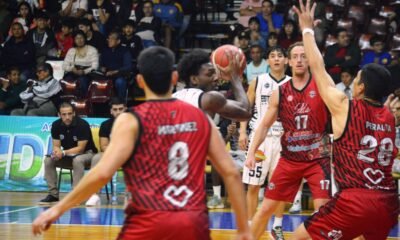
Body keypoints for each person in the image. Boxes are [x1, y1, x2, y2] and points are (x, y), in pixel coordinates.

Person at [32, 46, 253, 240]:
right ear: (175, 78)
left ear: (139, 81)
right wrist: (243, 229)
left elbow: (101, 174)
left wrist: (58, 208)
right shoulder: (199, 117)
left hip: (146, 223)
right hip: (191, 222)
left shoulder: (130, 121)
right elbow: (231, 173)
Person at [292, 1, 399, 239]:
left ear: (359, 88)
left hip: (355, 199)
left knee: (299, 237)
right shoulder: (390, 117)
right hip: (389, 202)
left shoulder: (344, 106)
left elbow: (318, 69)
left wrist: (307, 30)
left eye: (357, 78)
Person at [246, 42, 331, 239]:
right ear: (289, 61)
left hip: (318, 159)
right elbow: (264, 125)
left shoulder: (322, 85)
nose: (300, 60)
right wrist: (251, 152)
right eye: (296, 56)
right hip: (290, 159)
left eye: (304, 56)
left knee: (323, 211)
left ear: (310, 60)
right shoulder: (281, 91)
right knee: (266, 208)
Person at [173, 49, 252, 208]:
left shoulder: (173, 98)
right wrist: (235, 77)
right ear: (194, 79)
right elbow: (245, 112)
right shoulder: (208, 98)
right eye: (210, 74)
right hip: (186, 178)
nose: (216, 77)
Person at [239, 46, 290, 240]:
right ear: (268, 61)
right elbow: (245, 108)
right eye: (272, 56)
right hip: (260, 141)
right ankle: (251, 226)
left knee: (279, 187)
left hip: (283, 140)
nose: (276, 59)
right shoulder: (257, 81)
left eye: (280, 56)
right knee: (253, 185)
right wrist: (243, 132)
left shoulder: (293, 83)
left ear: (286, 61)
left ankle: (277, 226)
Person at [39, 101, 98, 204]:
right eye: (64, 114)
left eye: (69, 114)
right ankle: (53, 194)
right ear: (59, 115)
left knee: (78, 160)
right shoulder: (56, 125)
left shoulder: (82, 124)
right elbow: (56, 146)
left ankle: (76, 195)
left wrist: (64, 152)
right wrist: (56, 152)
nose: (67, 117)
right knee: (48, 160)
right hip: (69, 157)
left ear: (74, 113)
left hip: (88, 155)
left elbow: (80, 149)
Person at [86, 98, 127, 206]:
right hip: (110, 154)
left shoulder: (132, 123)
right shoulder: (105, 125)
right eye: (115, 109)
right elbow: (103, 146)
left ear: (125, 109)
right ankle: (94, 195)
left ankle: (135, 196)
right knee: (96, 158)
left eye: (121, 109)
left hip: (128, 154)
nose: (118, 112)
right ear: (111, 111)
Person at [63, 30, 99, 96]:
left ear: (85, 38)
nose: (79, 40)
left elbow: (95, 66)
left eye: (81, 38)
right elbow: (64, 66)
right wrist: (72, 69)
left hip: (87, 73)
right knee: (67, 80)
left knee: (82, 80)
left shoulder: (92, 49)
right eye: (77, 38)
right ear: (74, 40)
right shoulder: (71, 50)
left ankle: (83, 100)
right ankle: (69, 99)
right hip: (73, 72)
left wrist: (84, 72)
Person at [99, 31, 132, 100]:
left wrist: (115, 72)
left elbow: (128, 66)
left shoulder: (125, 51)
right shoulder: (105, 50)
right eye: (109, 38)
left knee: (120, 82)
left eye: (112, 39)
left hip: (120, 75)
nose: (109, 40)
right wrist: (102, 68)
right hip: (106, 75)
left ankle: (120, 103)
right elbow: (101, 64)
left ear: (118, 41)